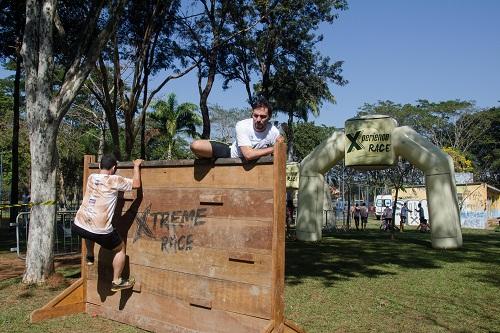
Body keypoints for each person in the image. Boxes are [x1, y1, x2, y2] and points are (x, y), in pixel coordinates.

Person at [72, 154, 143, 292]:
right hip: (100, 230)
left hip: (78, 224)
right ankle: (117, 281)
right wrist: (136, 166)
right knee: (120, 248)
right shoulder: (115, 180)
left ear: (99, 166)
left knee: (88, 231)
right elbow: (136, 184)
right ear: (114, 168)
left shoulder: (91, 177)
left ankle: (90, 255)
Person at [190, 96, 283, 160]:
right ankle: (208, 161)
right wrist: (274, 149)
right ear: (252, 114)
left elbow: (281, 141)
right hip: (231, 154)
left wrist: (280, 143)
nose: (258, 119)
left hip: (255, 167)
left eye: (263, 116)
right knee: (196, 146)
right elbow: (248, 155)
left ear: (269, 117)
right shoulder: (242, 125)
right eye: (255, 115)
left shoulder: (273, 131)